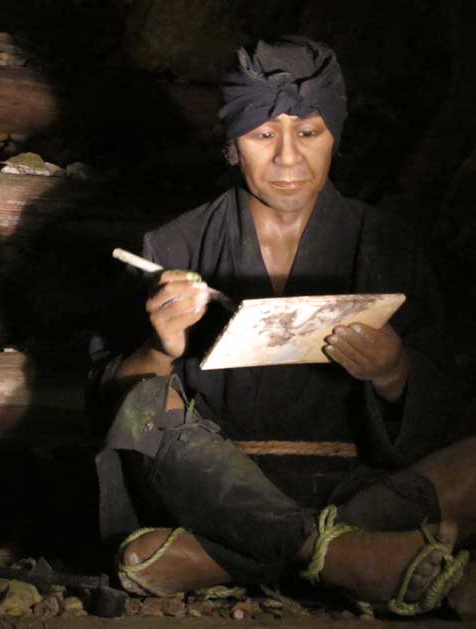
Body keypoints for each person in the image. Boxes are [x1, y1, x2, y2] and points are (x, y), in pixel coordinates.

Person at [88, 36, 475, 616]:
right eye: (264, 134)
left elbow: (449, 407)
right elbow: (110, 404)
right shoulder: (172, 245)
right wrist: (160, 348)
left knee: (145, 559)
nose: (289, 159)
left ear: (335, 137)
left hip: (360, 486)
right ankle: (350, 559)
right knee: (146, 401)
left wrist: (396, 372)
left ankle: (251, 555)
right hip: (217, 486)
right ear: (232, 145)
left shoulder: (389, 244)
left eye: (310, 133)